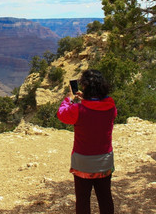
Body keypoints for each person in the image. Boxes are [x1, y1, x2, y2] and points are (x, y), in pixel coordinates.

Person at [57, 69, 117, 214]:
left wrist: (69, 98)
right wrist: (87, 99)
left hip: (83, 162)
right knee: (105, 198)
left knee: (83, 200)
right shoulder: (110, 107)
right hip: (104, 160)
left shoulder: (77, 110)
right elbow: (97, 109)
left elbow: (62, 114)